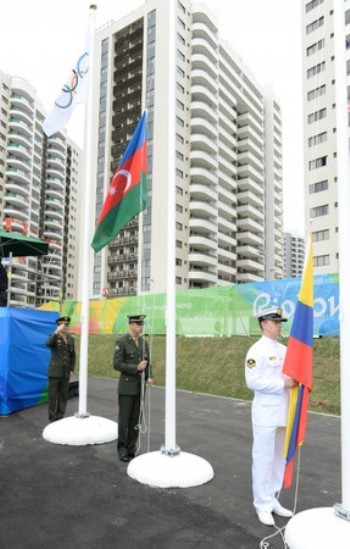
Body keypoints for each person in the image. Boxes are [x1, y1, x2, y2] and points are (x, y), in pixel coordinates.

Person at [245, 306, 297, 527]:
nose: (279, 325)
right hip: (266, 413)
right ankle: (261, 504)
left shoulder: (285, 349)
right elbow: (253, 382)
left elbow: (294, 375)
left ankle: (273, 498)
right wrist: (281, 384)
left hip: (283, 412)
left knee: (278, 459)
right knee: (264, 460)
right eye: (275, 321)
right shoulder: (255, 351)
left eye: (280, 322)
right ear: (263, 323)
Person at [113, 314, 153, 462]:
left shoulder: (144, 343)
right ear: (131, 325)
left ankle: (131, 448)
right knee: (124, 420)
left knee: (136, 420)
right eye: (137, 324)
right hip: (126, 387)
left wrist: (149, 375)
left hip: (139, 388)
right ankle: (122, 450)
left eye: (141, 324)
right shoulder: (122, 342)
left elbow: (148, 362)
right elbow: (117, 364)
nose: (140, 326)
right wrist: (136, 367)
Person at [46, 316, 76, 422]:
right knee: (53, 397)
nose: (66, 327)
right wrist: (56, 332)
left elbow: (73, 355)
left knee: (63, 396)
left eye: (67, 325)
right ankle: (52, 418)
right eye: (63, 325)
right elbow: (48, 343)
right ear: (58, 325)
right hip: (54, 372)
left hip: (65, 373)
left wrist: (71, 369)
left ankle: (60, 417)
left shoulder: (71, 339)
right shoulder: (54, 336)